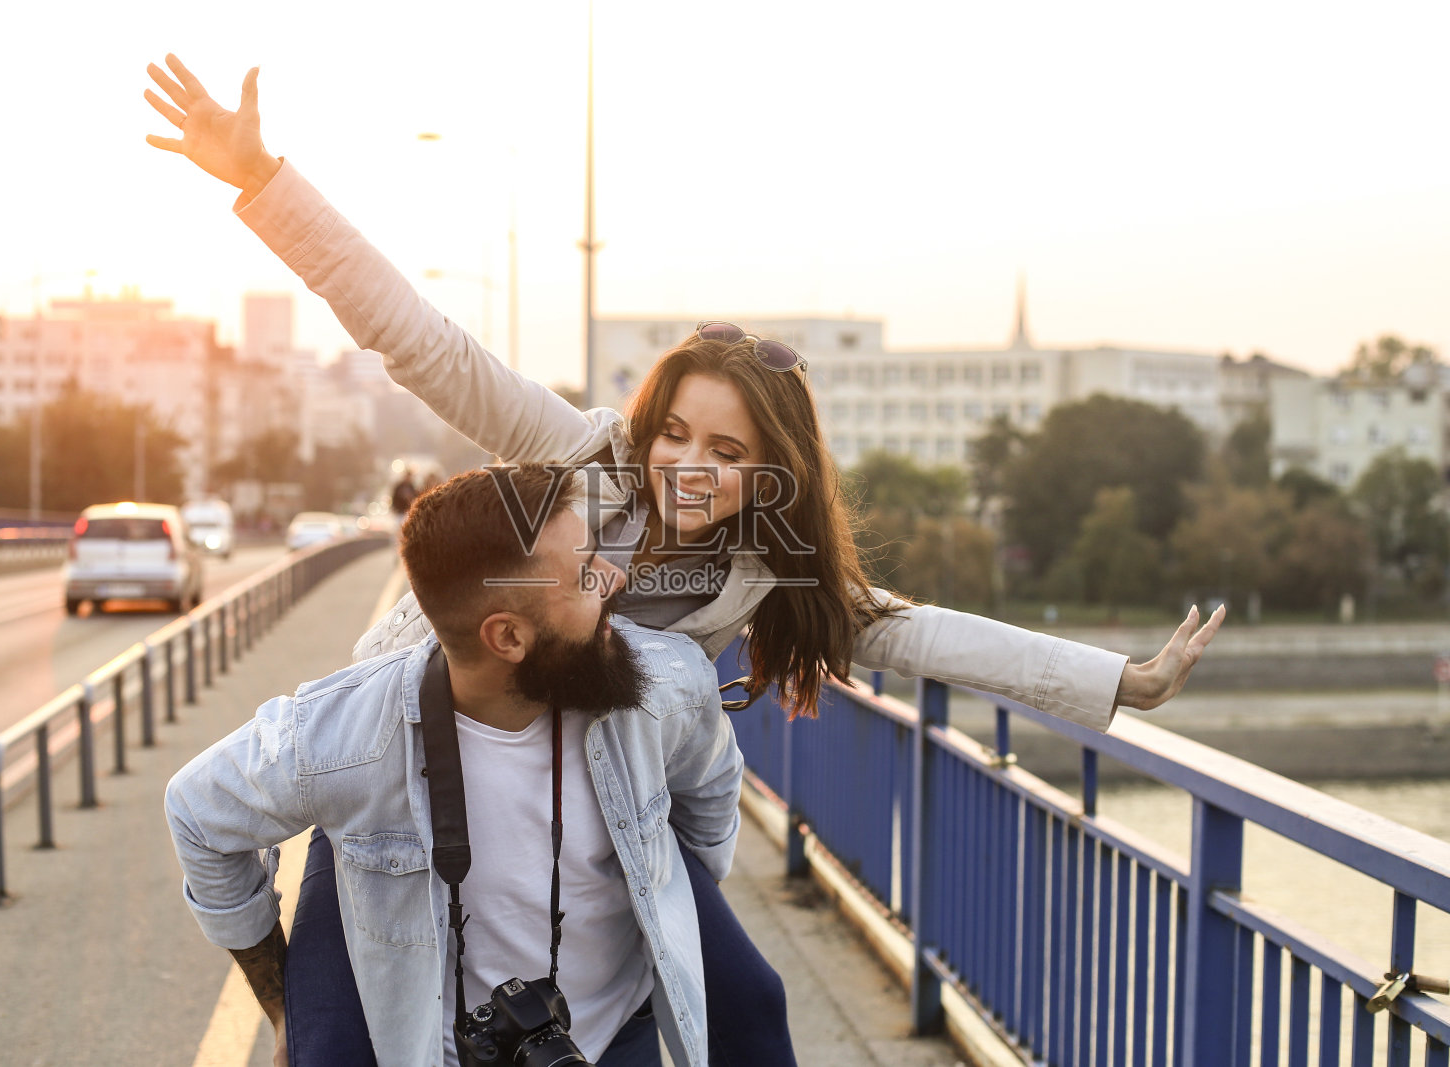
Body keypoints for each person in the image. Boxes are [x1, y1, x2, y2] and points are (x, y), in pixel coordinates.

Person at [144, 54, 1225, 1066]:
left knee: (745, 1006)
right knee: (340, 1037)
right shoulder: (577, 456)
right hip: (429, 756)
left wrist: (1116, 681)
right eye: (675, 433)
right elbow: (421, 341)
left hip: (597, 791)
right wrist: (263, 184)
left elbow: (916, 630)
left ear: (767, 473)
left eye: (725, 450)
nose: (684, 466)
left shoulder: (766, 570)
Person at [166, 464, 743, 1067]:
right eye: (584, 576)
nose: (614, 577)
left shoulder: (667, 684)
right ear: (509, 638)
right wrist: (284, 1006)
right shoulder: (347, 737)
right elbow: (196, 813)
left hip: (622, 1033)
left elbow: (710, 805)